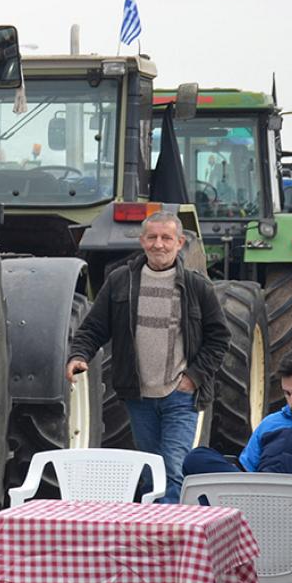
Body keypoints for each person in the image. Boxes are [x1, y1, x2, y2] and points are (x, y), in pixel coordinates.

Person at [67, 211, 230, 503]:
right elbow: (94, 327)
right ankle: (150, 529)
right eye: (152, 237)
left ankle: (169, 537)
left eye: (166, 238)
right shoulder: (121, 281)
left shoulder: (196, 287)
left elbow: (219, 338)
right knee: (149, 469)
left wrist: (193, 377)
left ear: (179, 243)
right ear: (142, 241)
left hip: (180, 395)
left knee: (173, 466)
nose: (159, 245)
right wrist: (79, 354)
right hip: (138, 395)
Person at [181, 347, 292, 509]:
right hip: (255, 504)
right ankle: (259, 504)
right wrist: (263, 494)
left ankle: (266, 503)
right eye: (287, 393)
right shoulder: (271, 423)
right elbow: (245, 473)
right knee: (197, 458)